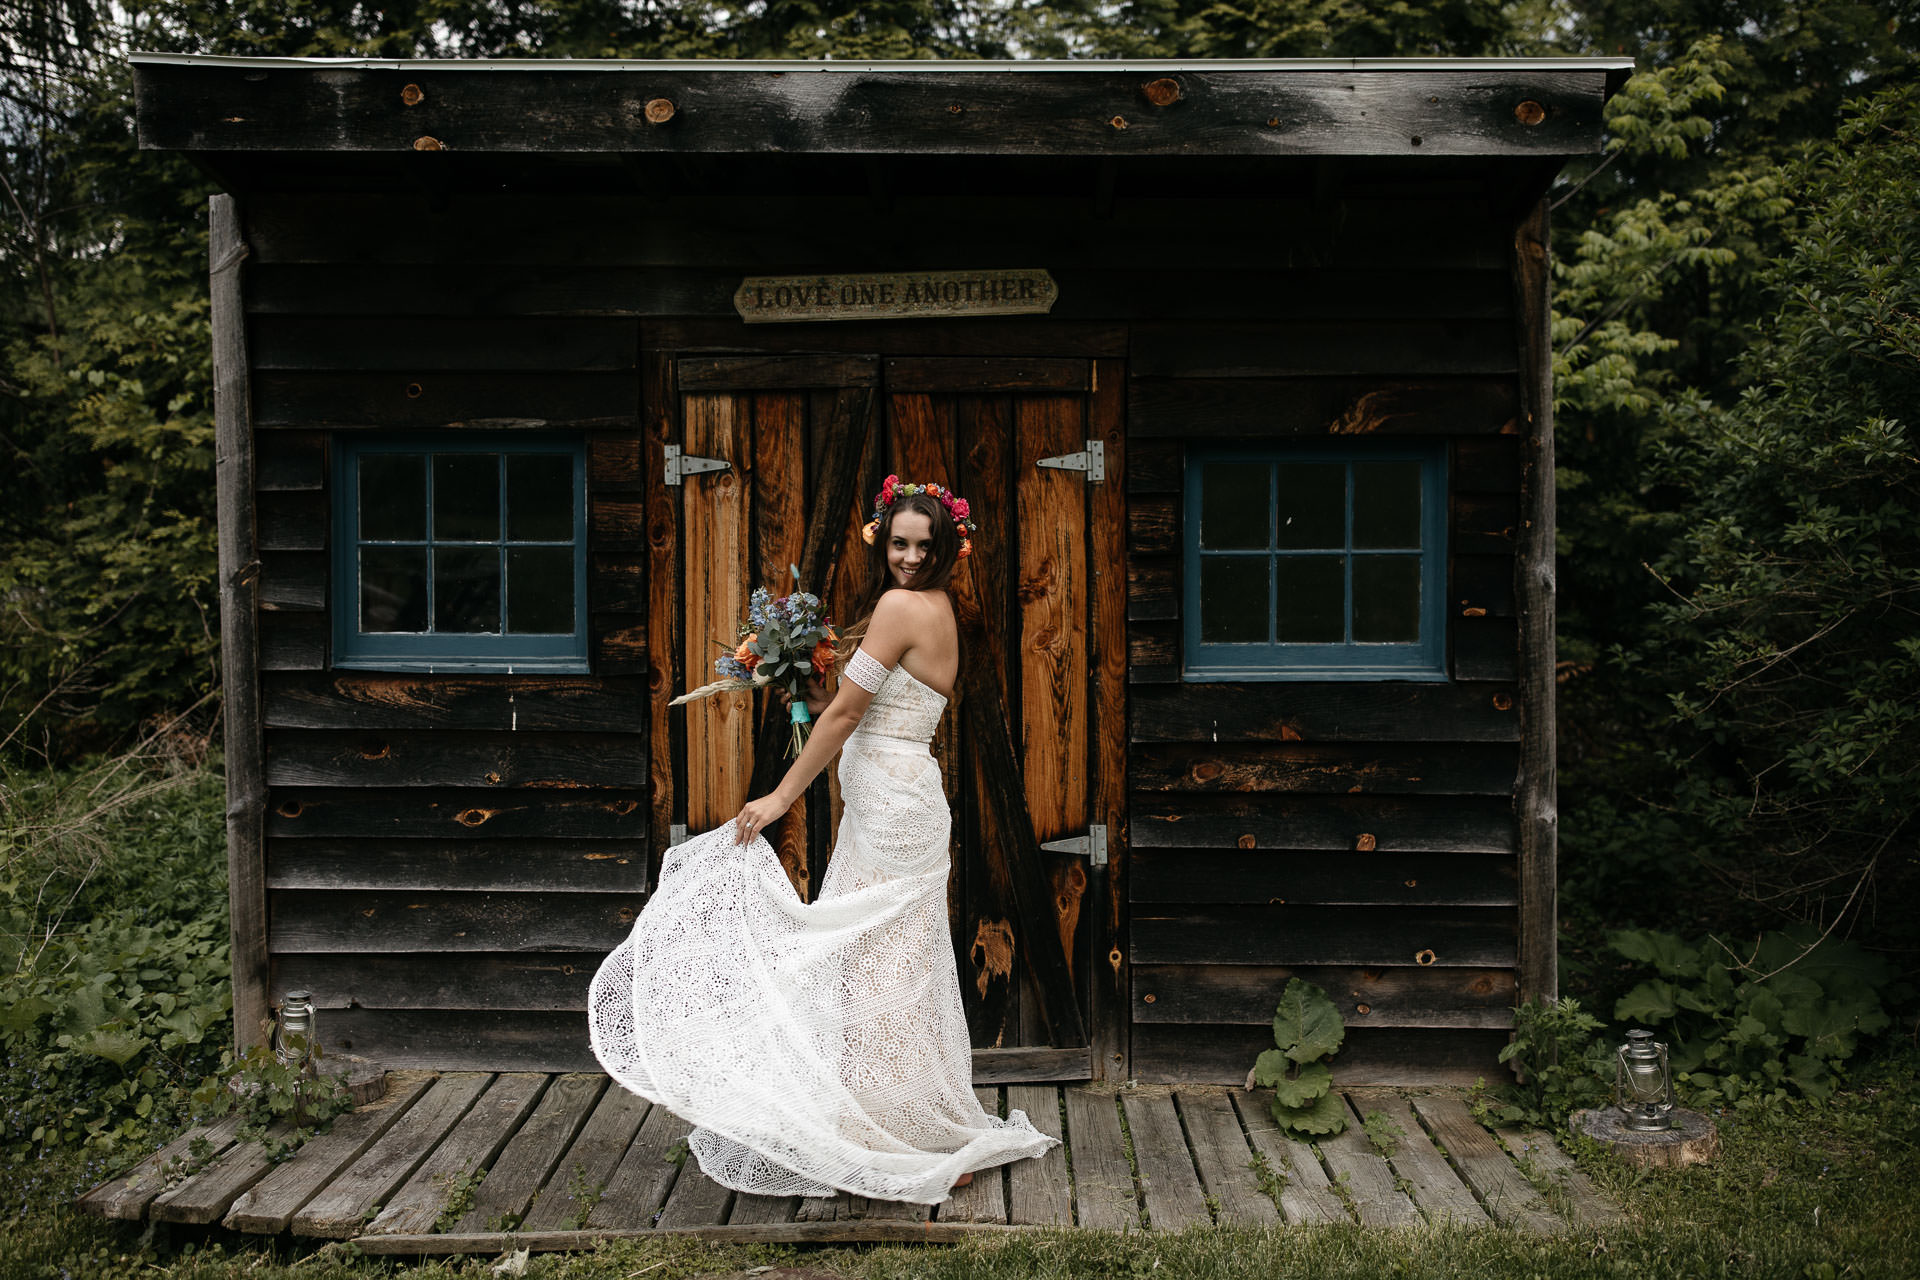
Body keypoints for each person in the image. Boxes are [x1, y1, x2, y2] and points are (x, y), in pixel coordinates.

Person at [587, 477, 1059, 1206]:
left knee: (878, 973)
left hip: (895, 806)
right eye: (899, 542)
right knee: (887, 971)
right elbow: (848, 702)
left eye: (923, 546)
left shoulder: (906, 606)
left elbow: (844, 717)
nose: (908, 557)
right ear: (883, 538)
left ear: (944, 551)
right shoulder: (930, 608)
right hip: (894, 801)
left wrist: (780, 797)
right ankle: (896, 1125)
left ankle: (896, 1137)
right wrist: (800, 675)